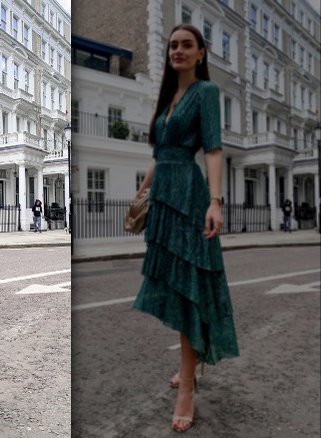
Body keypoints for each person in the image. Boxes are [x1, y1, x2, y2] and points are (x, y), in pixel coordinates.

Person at [133, 24, 239, 433]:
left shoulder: (205, 93)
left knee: (190, 286)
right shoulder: (169, 99)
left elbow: (213, 149)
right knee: (177, 287)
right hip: (163, 199)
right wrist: (142, 193)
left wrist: (215, 202)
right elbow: (160, 155)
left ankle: (187, 386)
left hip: (190, 197)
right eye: (173, 44)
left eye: (186, 45)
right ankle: (189, 363)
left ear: (201, 54)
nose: (177, 50)